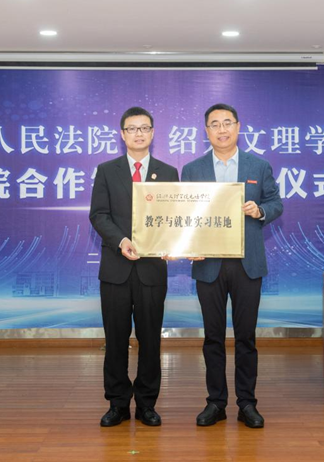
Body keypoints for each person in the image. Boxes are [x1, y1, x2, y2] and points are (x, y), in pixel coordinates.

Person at [181, 103, 283, 429]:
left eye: (227, 123)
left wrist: (259, 210)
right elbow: (184, 216)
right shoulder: (193, 170)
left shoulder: (259, 166)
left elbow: (276, 203)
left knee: (246, 337)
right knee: (212, 337)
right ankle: (216, 402)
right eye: (215, 124)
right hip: (208, 263)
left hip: (246, 264)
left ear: (238, 127)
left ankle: (247, 403)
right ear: (206, 131)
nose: (222, 129)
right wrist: (187, 244)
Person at [89, 106, 179, 427]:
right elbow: (99, 215)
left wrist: (174, 243)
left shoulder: (168, 172)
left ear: (153, 133)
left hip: (151, 271)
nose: (138, 133)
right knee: (115, 340)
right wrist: (121, 240)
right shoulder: (106, 170)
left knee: (151, 340)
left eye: (144, 128)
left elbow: (173, 218)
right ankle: (117, 404)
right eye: (132, 128)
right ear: (122, 134)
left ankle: (146, 404)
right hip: (115, 269)